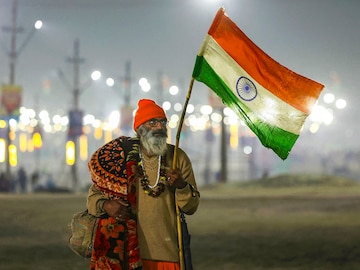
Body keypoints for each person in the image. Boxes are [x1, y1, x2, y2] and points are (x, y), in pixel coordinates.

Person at [87, 99, 200, 270]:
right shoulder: (121, 158)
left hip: (169, 256)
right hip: (127, 255)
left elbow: (191, 207)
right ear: (139, 128)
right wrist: (106, 205)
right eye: (153, 122)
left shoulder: (177, 157)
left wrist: (181, 186)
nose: (159, 127)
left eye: (163, 122)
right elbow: (93, 199)